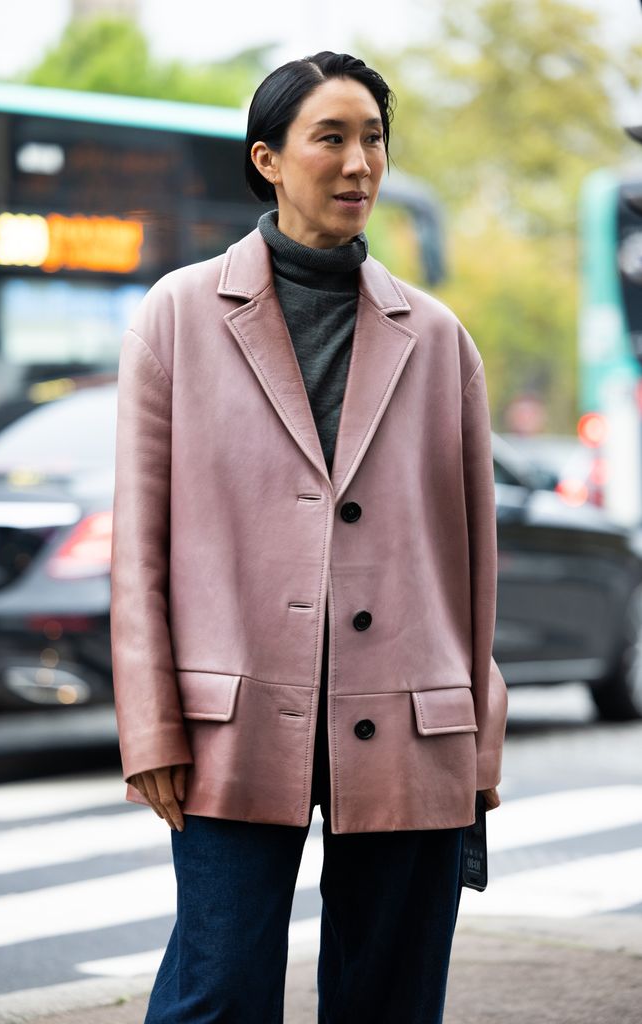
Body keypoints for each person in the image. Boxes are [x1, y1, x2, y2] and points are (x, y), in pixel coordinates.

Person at [110, 50, 508, 1024]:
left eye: (372, 138)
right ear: (268, 160)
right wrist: (151, 724)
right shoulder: (177, 317)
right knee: (215, 995)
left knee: (388, 1003)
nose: (357, 163)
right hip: (230, 723)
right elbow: (140, 548)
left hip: (412, 726)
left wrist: (476, 740)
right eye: (329, 137)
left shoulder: (438, 336)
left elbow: (472, 566)